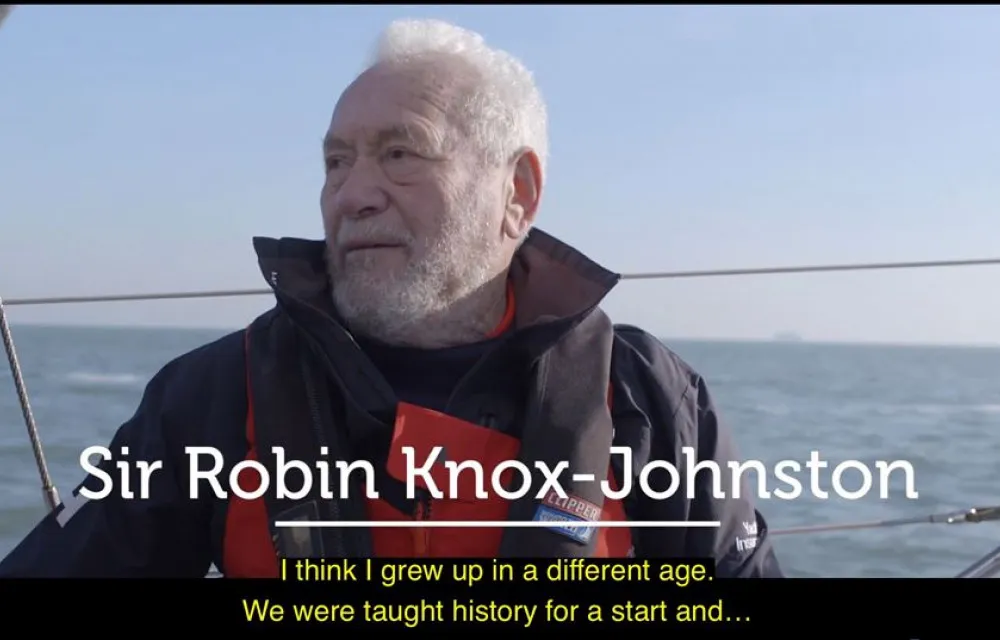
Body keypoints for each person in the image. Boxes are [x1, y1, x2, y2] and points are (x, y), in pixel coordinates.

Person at [0, 18, 782, 578]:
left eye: (400, 154)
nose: (352, 195)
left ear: (518, 193)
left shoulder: (648, 395)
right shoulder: (214, 395)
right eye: (336, 162)